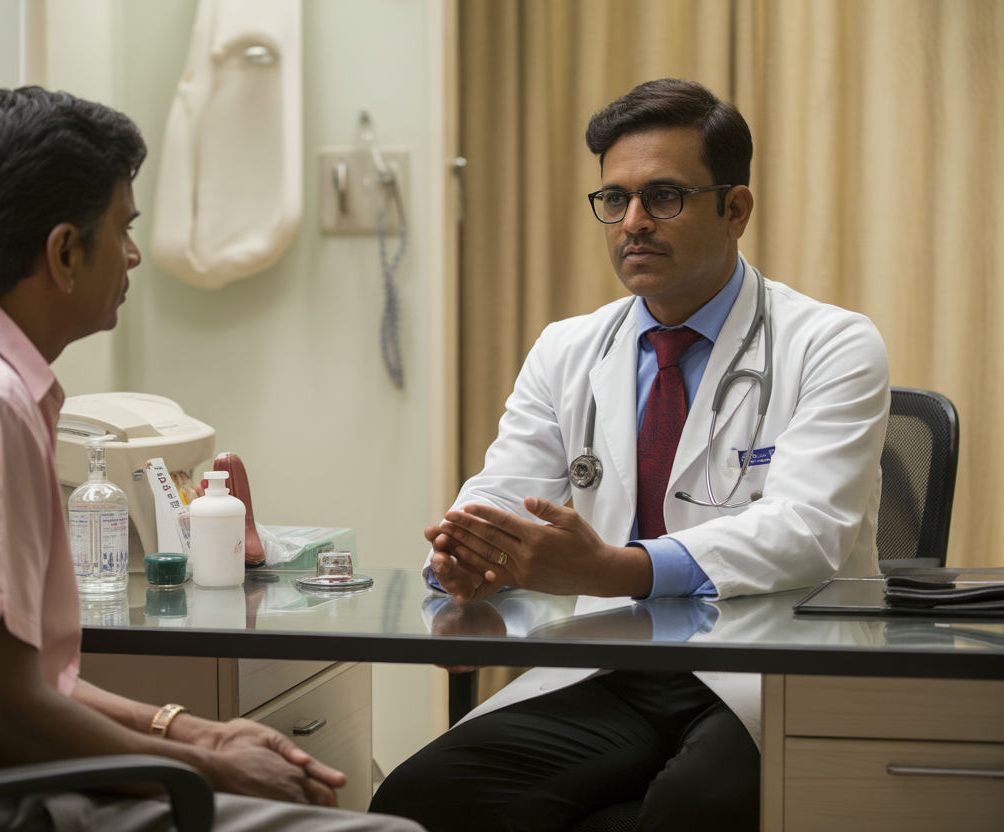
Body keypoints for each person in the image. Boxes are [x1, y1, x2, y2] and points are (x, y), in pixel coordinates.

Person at [0, 86, 421, 832]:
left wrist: (196, 733)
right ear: (65, 252)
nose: (133, 254)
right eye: (123, 228)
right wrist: (203, 769)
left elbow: (22, 682)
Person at [369, 78, 889, 831]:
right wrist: (465, 558)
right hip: (615, 665)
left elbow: (809, 531)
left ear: (735, 209)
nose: (633, 223)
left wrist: (617, 569)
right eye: (615, 200)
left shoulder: (832, 344)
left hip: (772, 664)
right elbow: (502, 491)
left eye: (664, 197)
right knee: (420, 798)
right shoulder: (568, 348)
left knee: (690, 809)